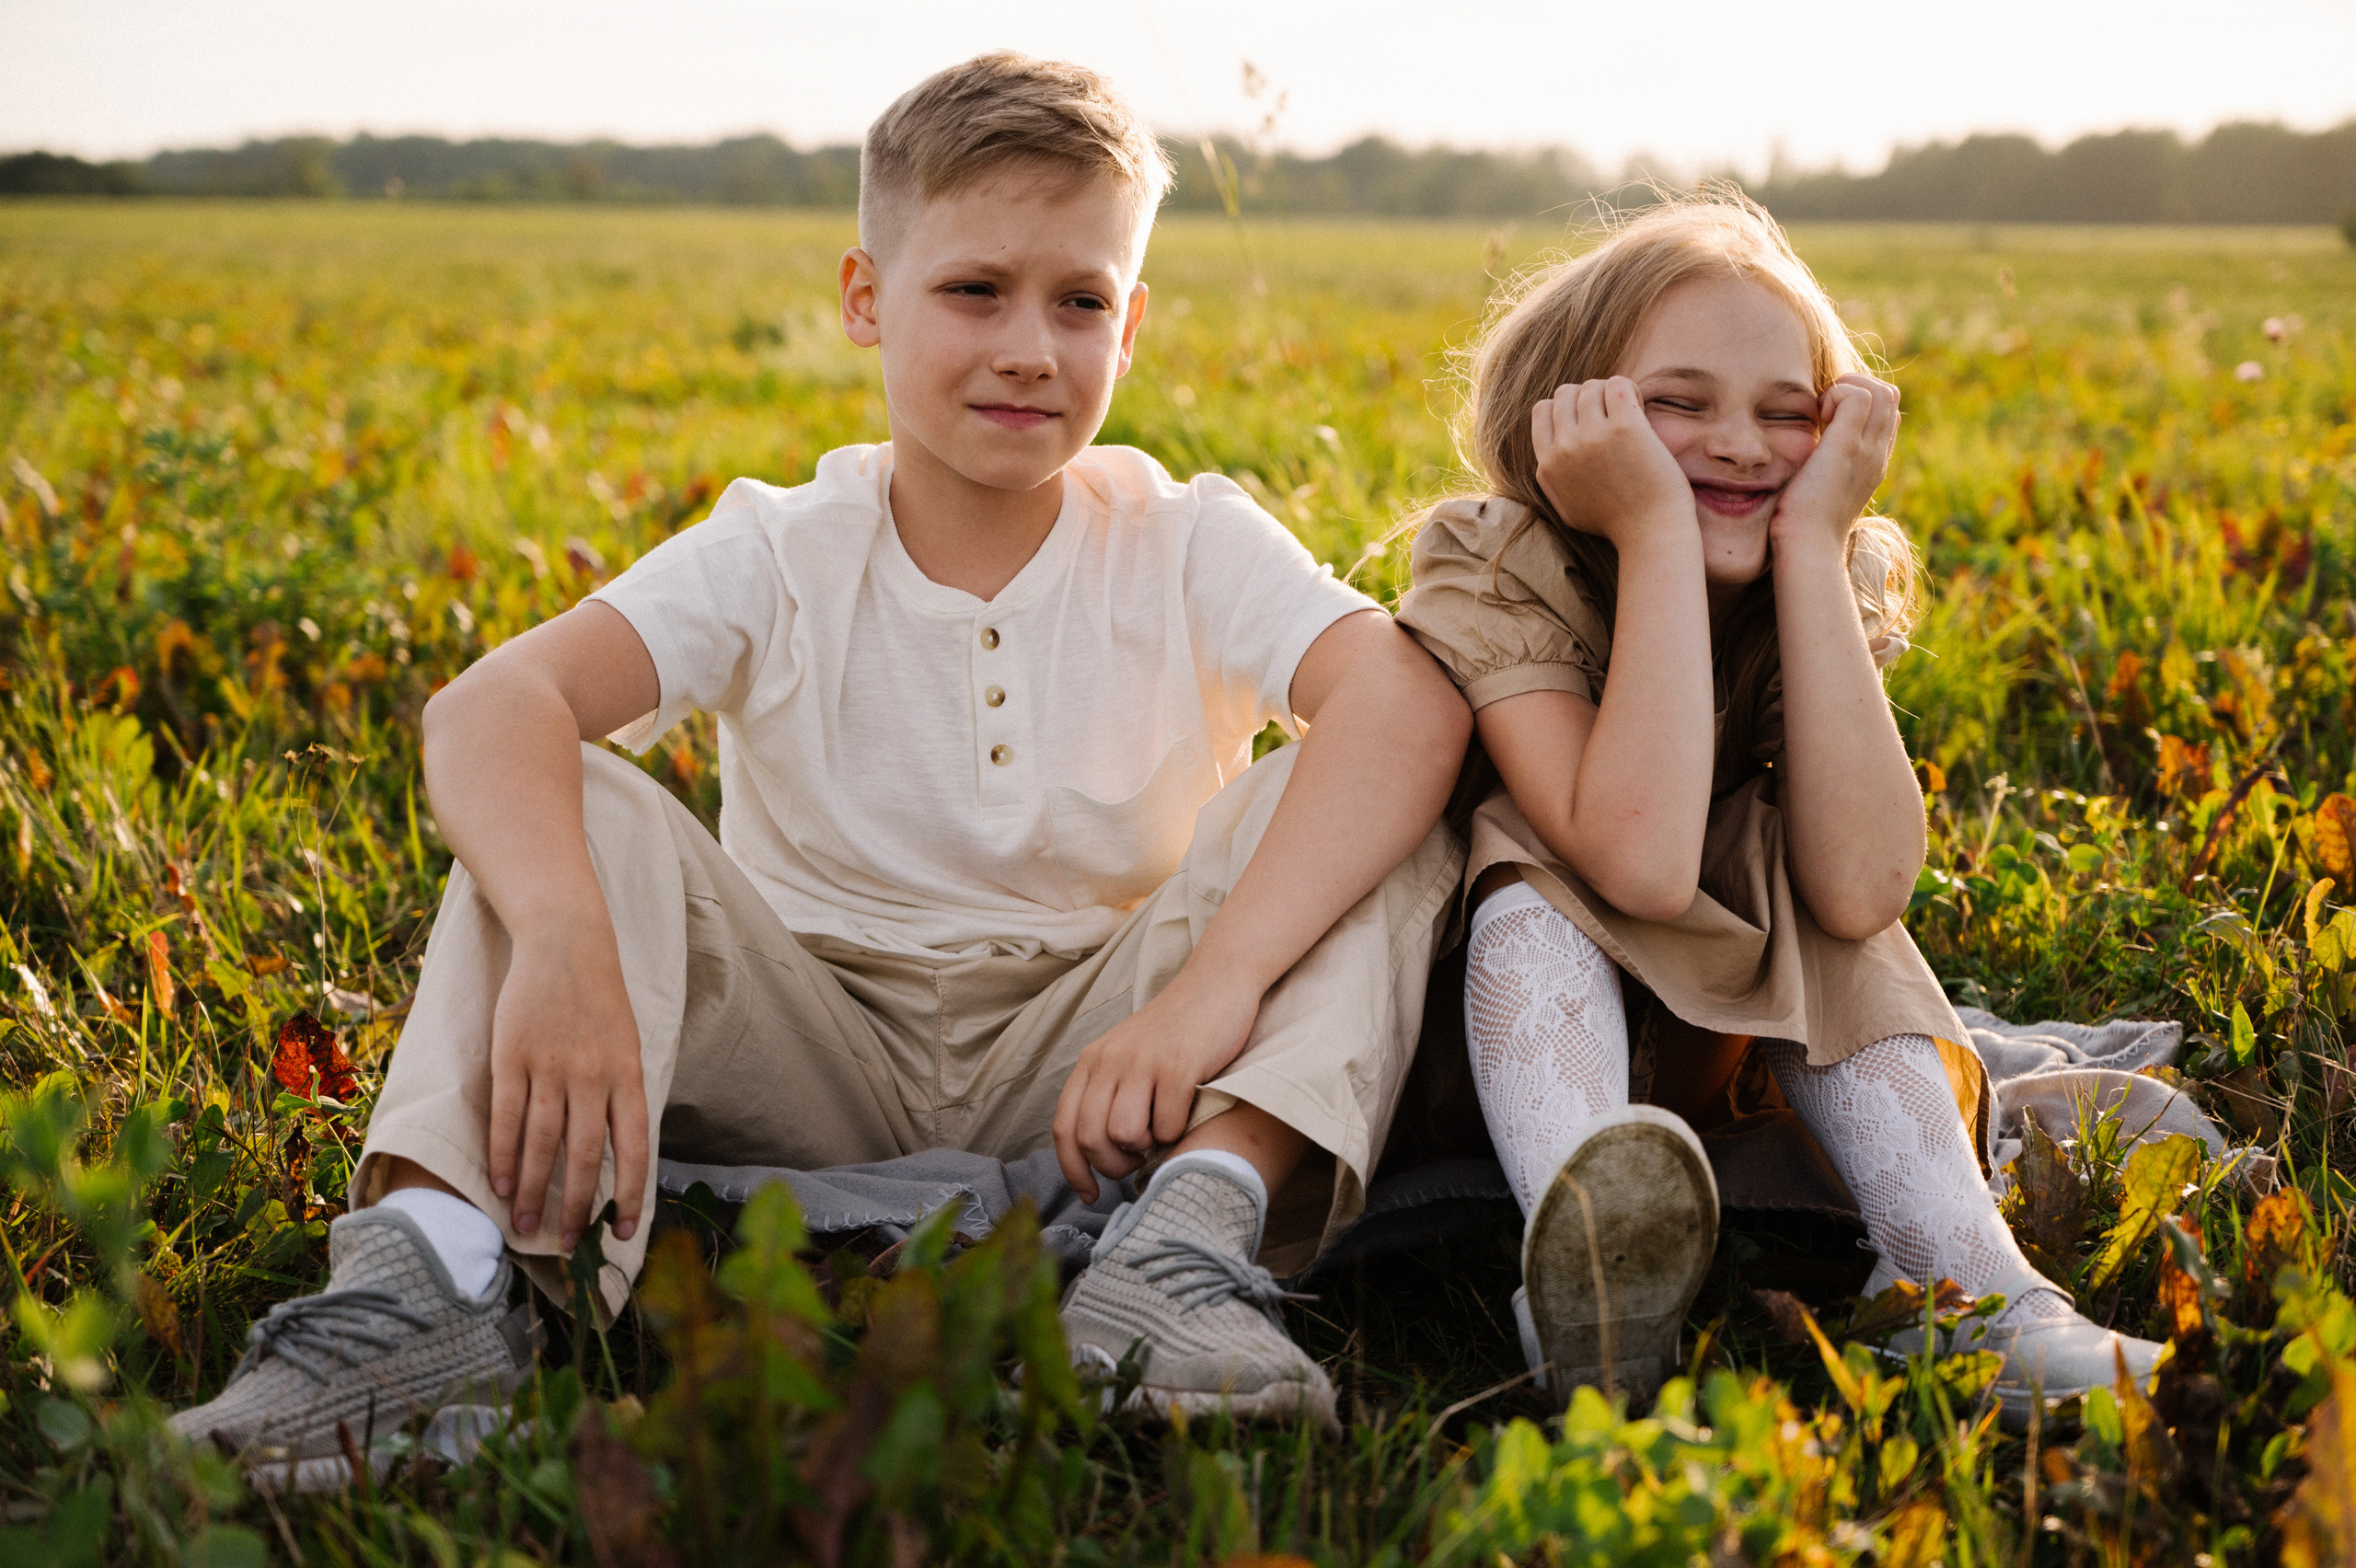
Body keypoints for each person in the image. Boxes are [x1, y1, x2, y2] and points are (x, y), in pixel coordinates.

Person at [174, 52, 1470, 1487]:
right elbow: (494, 705)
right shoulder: (784, 548)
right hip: (810, 1053)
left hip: (1107, 1067)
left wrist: (1211, 997)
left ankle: (1183, 1252)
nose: (1031, 347)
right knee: (573, 802)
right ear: (866, 299)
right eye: (974, 291)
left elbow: (1404, 709)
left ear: (1134, 321)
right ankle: (424, 1292)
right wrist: (557, 932)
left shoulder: (1187, 537)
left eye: (1081, 300)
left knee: (1380, 806)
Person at [1394, 190, 2161, 1421]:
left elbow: (1863, 888)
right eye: (1678, 405)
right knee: (1534, 846)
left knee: (1790, 857)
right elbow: (1632, 863)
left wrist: (1815, 548)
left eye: (1787, 415)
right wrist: (1648, 531)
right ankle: (1586, 1272)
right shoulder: (1496, 559)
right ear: (1571, 415)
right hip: (1490, 1067)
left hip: (1713, 1065)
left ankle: (1967, 1293)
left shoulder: (1808, 574)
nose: (1742, 447)